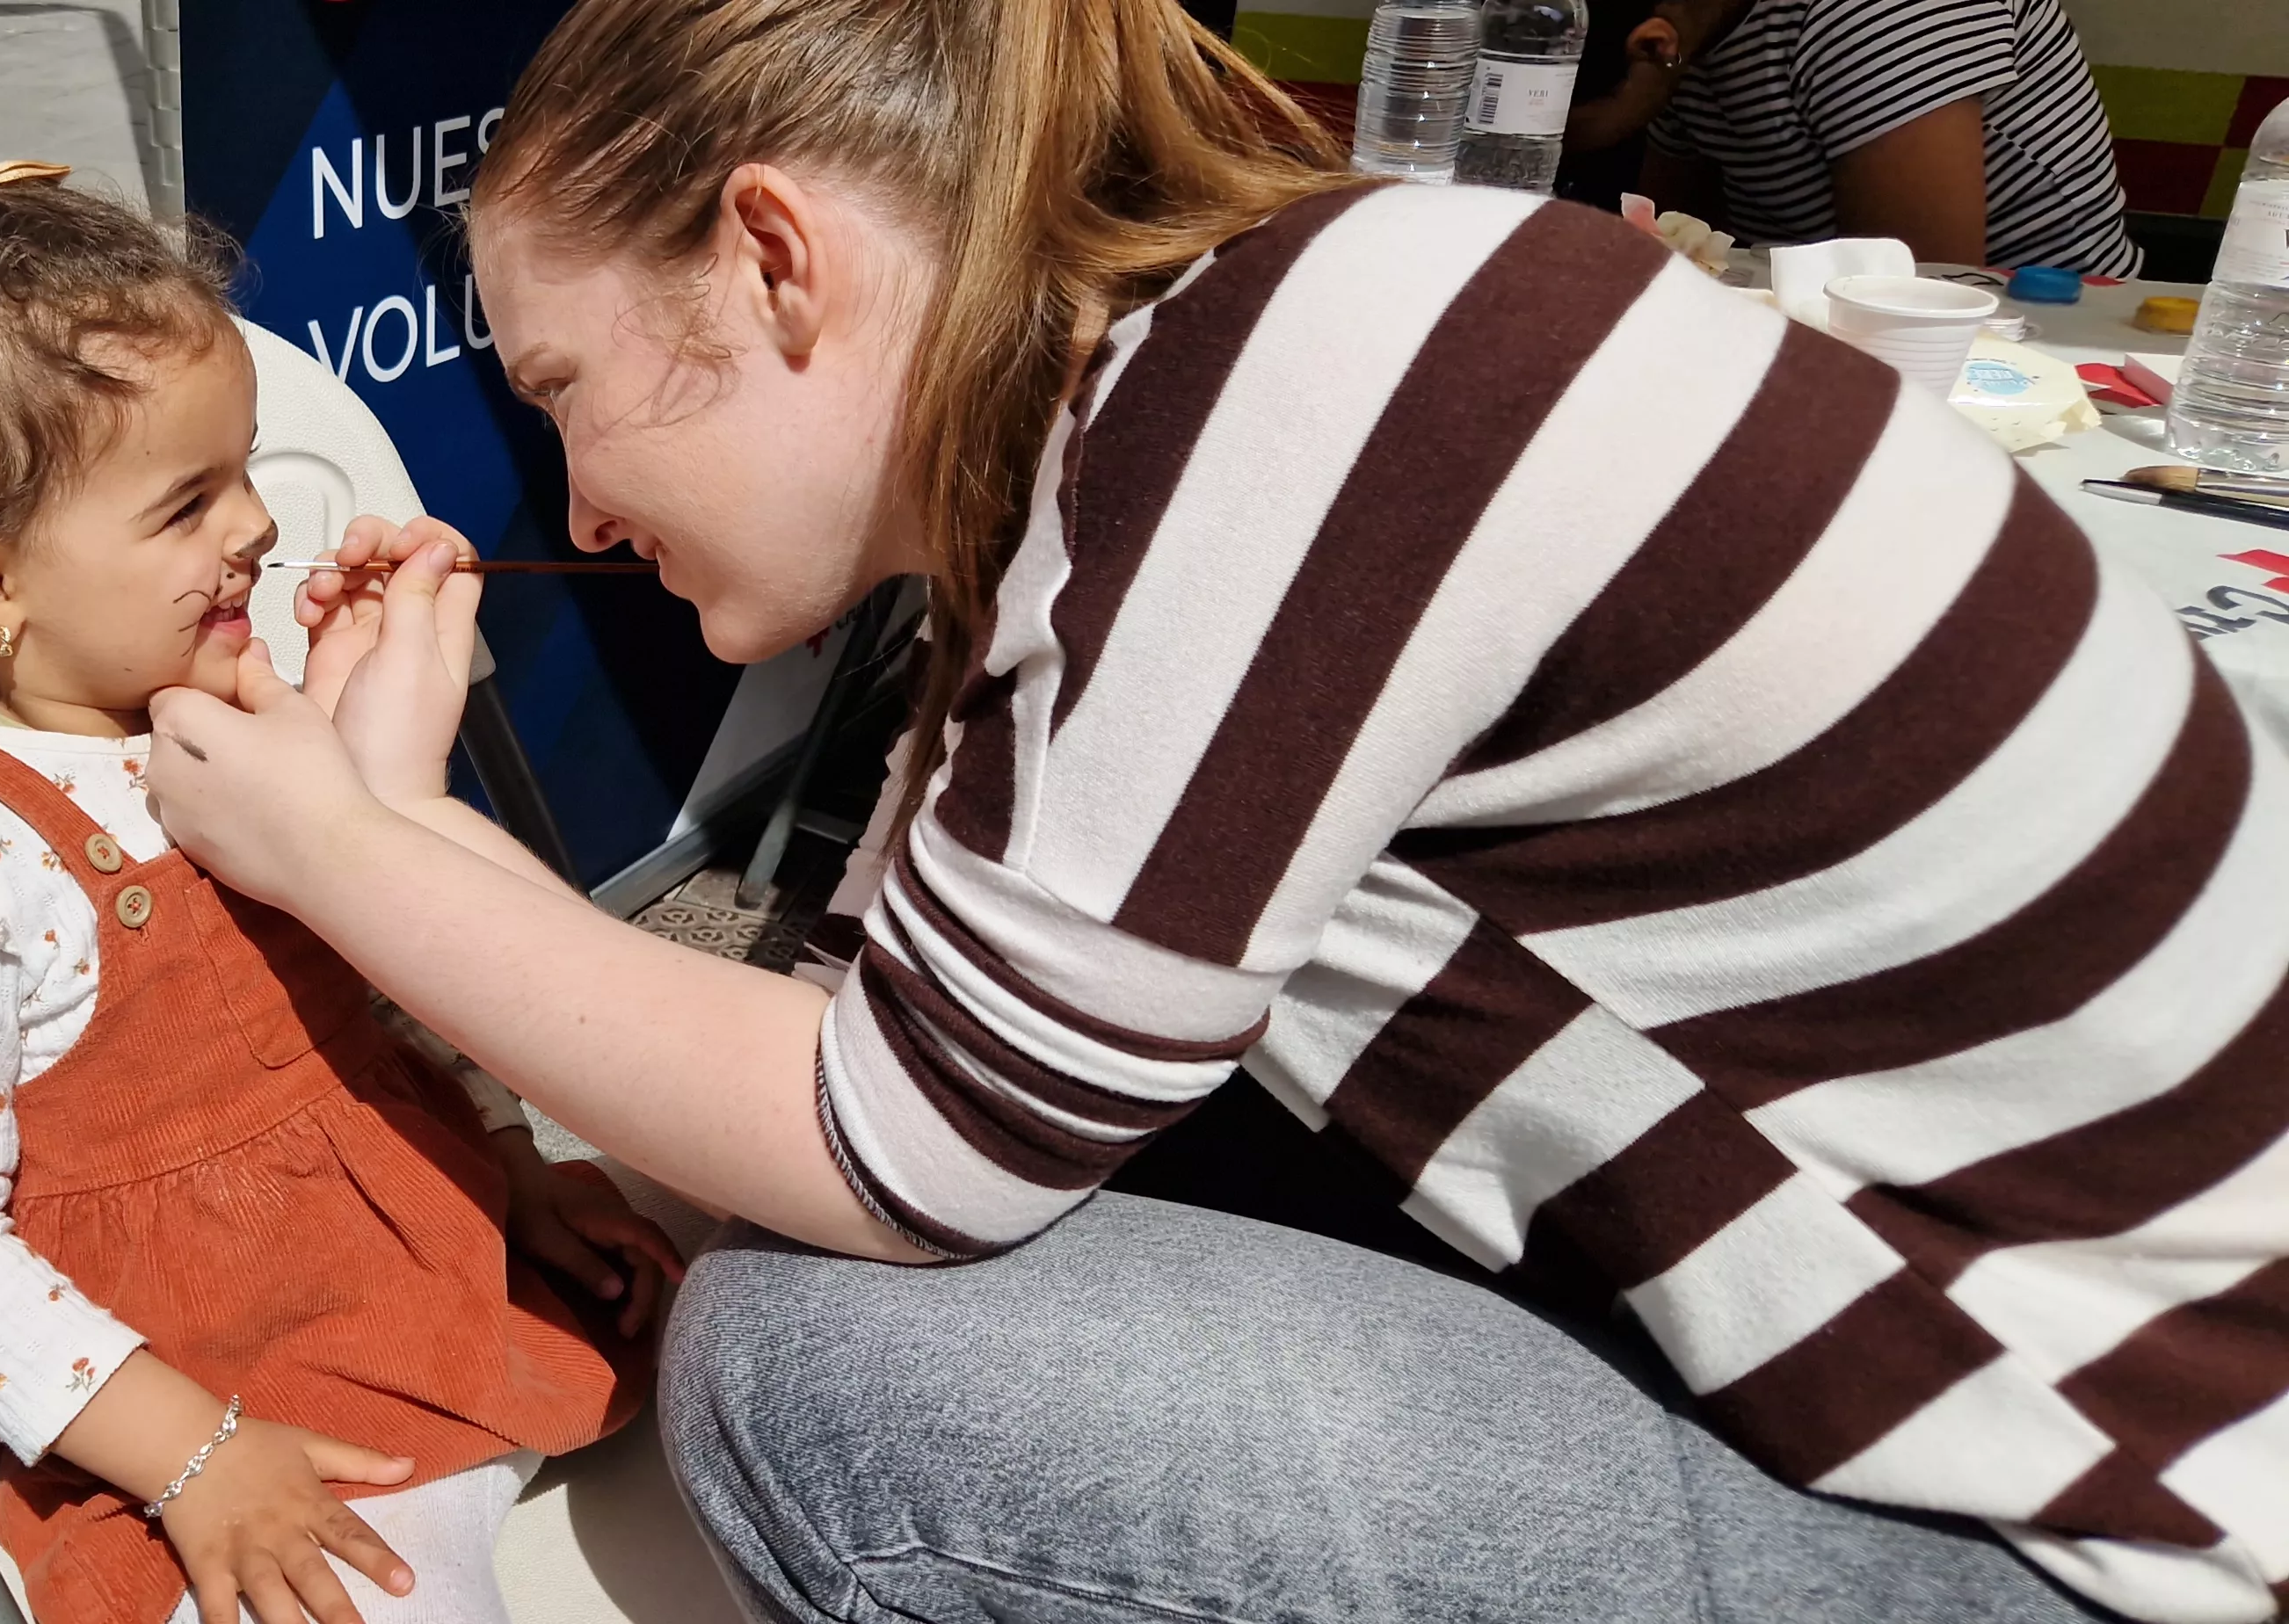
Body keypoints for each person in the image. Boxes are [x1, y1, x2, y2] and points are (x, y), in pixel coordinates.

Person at [134, 1, 2289, 1620]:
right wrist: (394, 812)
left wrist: (343, 850)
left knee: (819, 1377)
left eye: (564, 395)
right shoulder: (1176, 392)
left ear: (775, 259)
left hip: (2115, 1496)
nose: (581, 505)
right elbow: (877, 1028)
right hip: (2024, 1350)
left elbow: (892, 1156)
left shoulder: (1301, 391)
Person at [0, 157, 679, 1624]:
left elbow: (385, 976)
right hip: (196, 1391)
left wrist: (506, 1155)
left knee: (735, 1340)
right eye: (189, 501)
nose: (253, 523)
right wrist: (191, 1453)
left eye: (244, 469)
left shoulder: (235, 716)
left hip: (413, 1270)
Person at [1596, 0, 2140, 274]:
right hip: (1816, 318)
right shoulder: (1682, 40)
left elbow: (1910, 291)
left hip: (2041, 358)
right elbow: (1667, 255)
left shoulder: (1886, 16)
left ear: (1653, 47)